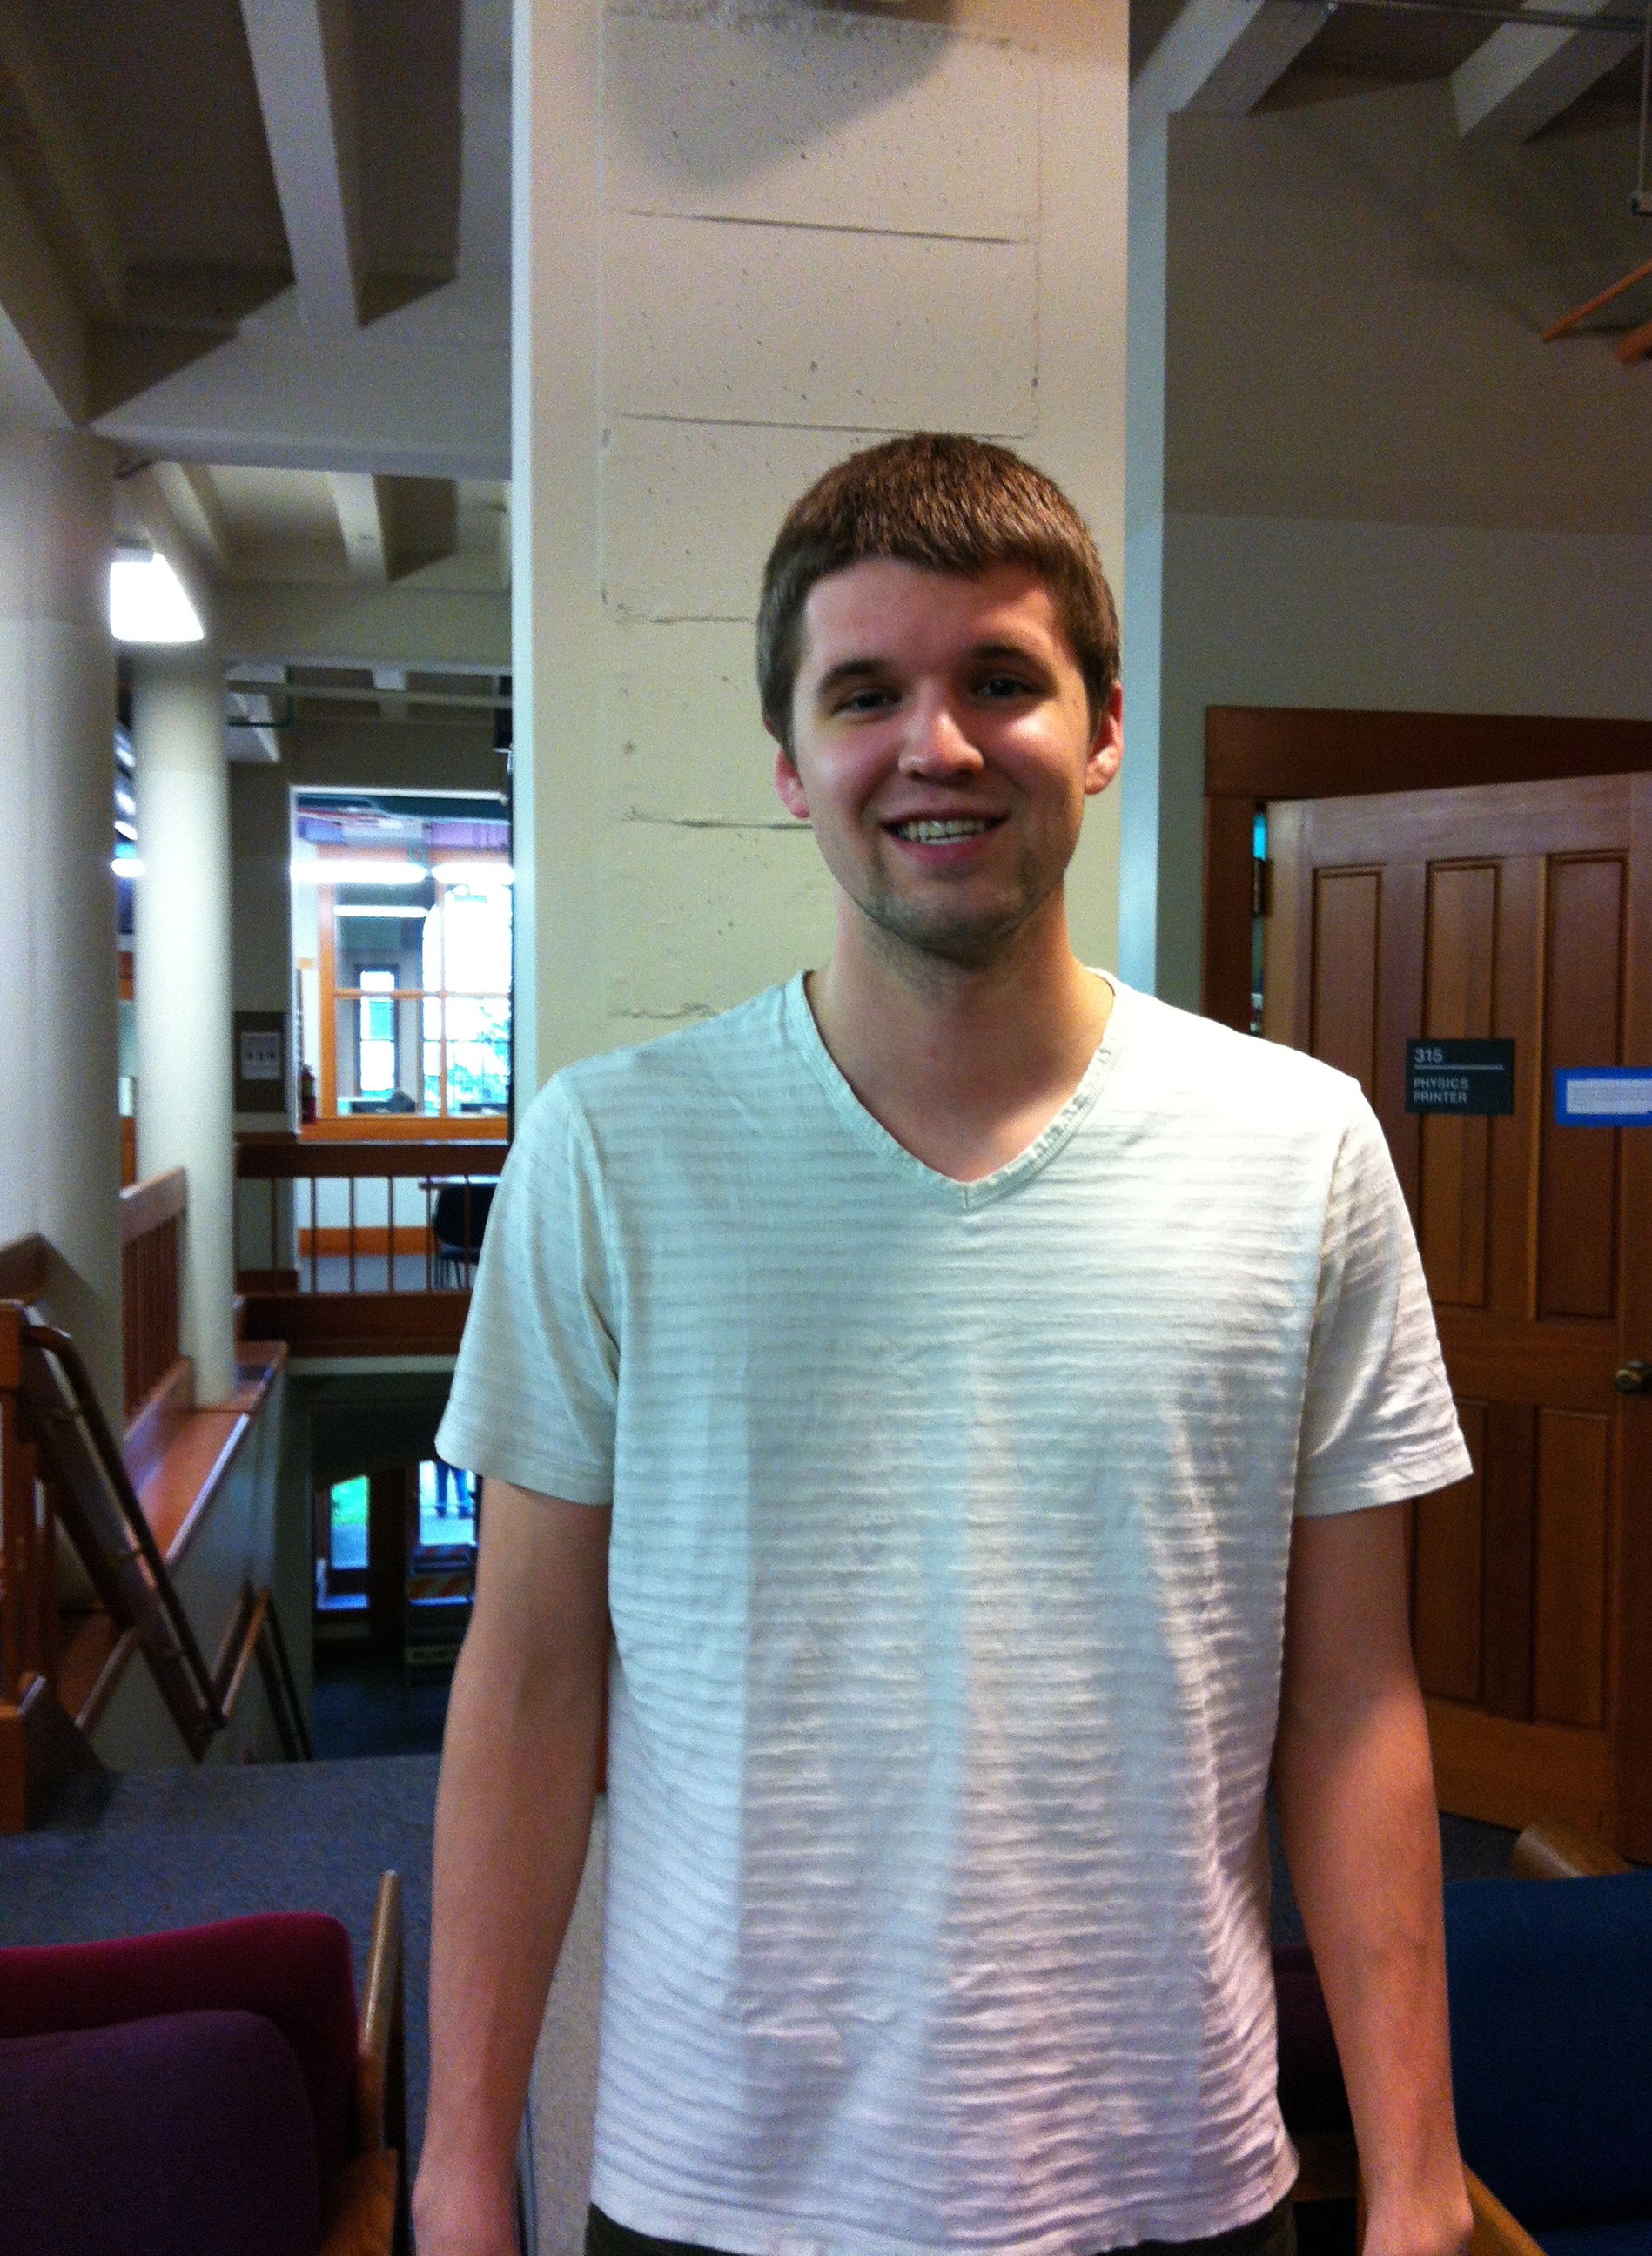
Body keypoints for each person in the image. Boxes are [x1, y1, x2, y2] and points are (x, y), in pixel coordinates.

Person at [413, 435, 1475, 2256]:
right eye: (864, 694)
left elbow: (1352, 1701)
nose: (939, 746)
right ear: (788, 761)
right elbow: (526, 1688)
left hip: (1169, 2174)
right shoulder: (610, 1154)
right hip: (722, 2188)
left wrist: (1414, 2172)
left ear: (1103, 727)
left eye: (1000, 680)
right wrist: (455, 2167)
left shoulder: (1297, 1149)